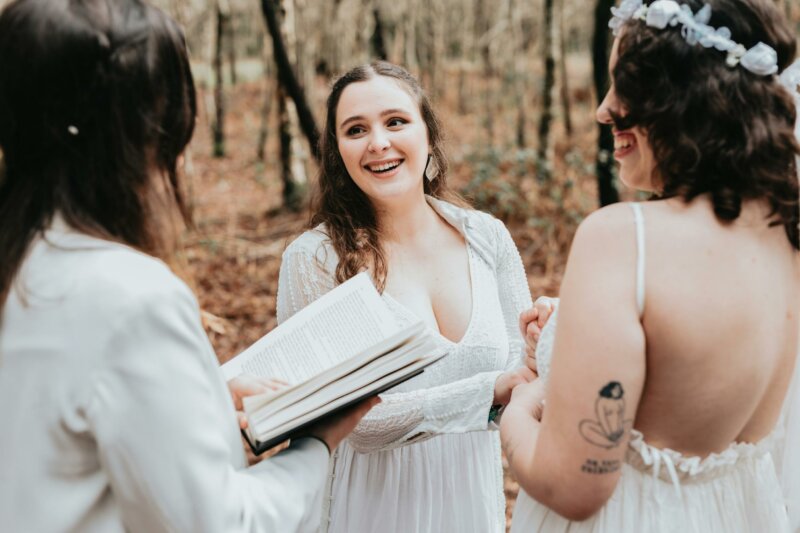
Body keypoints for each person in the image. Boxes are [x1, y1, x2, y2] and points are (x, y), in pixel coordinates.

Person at [0, 1, 375, 531]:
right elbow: (220, 523)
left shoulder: (24, 264)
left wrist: (209, 410)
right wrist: (317, 441)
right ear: (149, 132)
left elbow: (56, 437)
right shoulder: (131, 298)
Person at [502, 0, 800, 531]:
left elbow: (575, 485)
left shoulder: (623, 239)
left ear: (683, 97)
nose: (602, 109)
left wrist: (520, 411)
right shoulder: (787, 237)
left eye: (624, 87)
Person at [276, 61, 536, 533]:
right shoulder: (314, 259)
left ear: (428, 135)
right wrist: (490, 390)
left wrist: (545, 340)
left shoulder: (486, 237)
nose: (378, 142)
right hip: (367, 507)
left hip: (470, 504)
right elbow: (350, 422)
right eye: (356, 129)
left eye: (395, 121)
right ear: (337, 152)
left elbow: (525, 376)